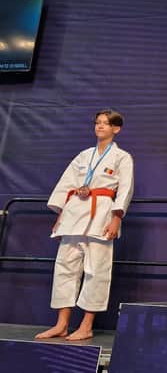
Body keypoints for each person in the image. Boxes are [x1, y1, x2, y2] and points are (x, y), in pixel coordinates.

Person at [36, 110, 134, 341]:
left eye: (105, 124)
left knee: (96, 271)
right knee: (64, 268)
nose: (100, 126)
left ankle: (86, 325)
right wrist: (61, 215)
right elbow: (66, 184)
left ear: (116, 129)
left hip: (101, 214)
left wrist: (116, 217)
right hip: (74, 213)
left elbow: (126, 188)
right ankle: (61, 324)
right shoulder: (83, 156)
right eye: (97, 123)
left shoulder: (122, 157)